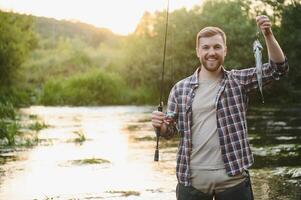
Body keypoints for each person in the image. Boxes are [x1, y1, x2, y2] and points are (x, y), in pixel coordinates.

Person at [151, 15, 288, 200]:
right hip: (192, 182)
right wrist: (160, 126)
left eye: (217, 47)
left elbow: (278, 69)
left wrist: (268, 34)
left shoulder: (238, 80)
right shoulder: (180, 88)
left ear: (225, 50)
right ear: (198, 51)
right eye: (205, 47)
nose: (211, 52)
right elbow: (170, 131)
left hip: (234, 181)